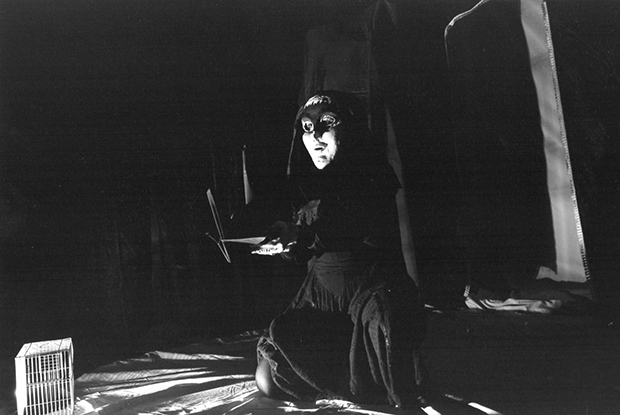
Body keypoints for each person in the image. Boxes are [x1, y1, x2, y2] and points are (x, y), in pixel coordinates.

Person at [252, 91, 426, 408]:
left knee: (387, 367)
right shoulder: (305, 181)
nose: (315, 136)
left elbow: (348, 224)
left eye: (327, 124)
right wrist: (278, 242)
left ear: (350, 129)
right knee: (267, 378)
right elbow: (301, 251)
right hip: (323, 294)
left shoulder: (373, 176)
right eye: (307, 127)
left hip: (369, 290)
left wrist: (300, 235)